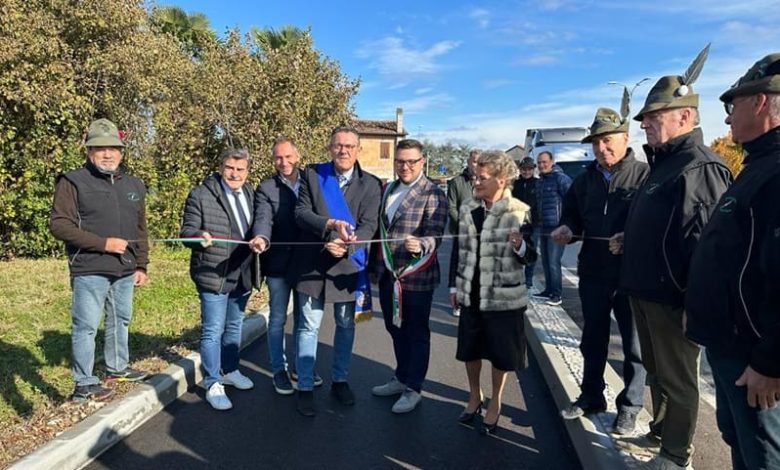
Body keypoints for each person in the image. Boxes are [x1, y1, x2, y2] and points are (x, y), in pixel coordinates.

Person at [611, 47, 733, 469]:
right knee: (657, 371)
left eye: (653, 116)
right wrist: (630, 238)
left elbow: (706, 248)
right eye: (644, 117)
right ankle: (661, 431)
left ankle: (676, 454)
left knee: (679, 379)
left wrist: (695, 306)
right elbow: (665, 228)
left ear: (685, 116)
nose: (644, 124)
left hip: (673, 299)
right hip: (646, 292)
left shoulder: (699, 167)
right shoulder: (664, 165)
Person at [686, 53, 780, 470]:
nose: (726, 119)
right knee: (741, 444)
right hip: (731, 347)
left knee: (763, 456)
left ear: (760, 102)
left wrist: (770, 362)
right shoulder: (759, 166)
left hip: (754, 359)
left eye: (732, 105)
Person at [551, 107, 649, 435]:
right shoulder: (584, 180)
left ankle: (630, 406)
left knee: (634, 346)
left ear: (625, 138)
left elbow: (655, 226)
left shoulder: (645, 176)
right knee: (592, 339)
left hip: (631, 275)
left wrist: (629, 238)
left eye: (607, 140)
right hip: (593, 271)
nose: (601, 148)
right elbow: (572, 217)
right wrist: (567, 230)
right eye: (595, 143)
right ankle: (591, 395)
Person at [50, 118, 150, 402]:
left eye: (113, 148)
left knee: (121, 319)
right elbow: (59, 225)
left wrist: (141, 264)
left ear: (122, 151)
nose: (108, 154)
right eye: (100, 148)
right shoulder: (72, 181)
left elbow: (140, 229)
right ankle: (84, 383)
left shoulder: (134, 184)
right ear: (89, 151)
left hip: (125, 268)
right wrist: (103, 244)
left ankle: (117, 368)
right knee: (86, 326)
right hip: (90, 267)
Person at [292, 126, 382, 416]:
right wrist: (330, 227)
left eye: (349, 146)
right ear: (330, 147)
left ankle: (340, 381)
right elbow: (301, 214)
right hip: (313, 265)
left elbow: (369, 225)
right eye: (338, 145)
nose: (343, 151)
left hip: (348, 268)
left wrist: (347, 247)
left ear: (358, 150)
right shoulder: (312, 174)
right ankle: (305, 386)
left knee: (345, 326)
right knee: (308, 327)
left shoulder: (371, 184)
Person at [448, 150, 537, 436]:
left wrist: (520, 246)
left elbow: (531, 256)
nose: (475, 182)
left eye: (482, 178)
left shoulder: (519, 211)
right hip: (471, 292)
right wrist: (454, 285)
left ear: (501, 179)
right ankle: (475, 395)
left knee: (501, 354)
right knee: (470, 349)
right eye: (475, 176)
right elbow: (458, 250)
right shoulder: (467, 208)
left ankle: (496, 400)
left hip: (503, 298)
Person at [370, 139, 447, 413]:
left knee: (416, 333)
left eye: (411, 161)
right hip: (387, 274)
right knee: (394, 327)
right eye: (400, 161)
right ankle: (401, 376)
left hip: (416, 276)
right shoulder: (388, 189)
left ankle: (414, 388)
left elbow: (436, 234)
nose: (405, 166)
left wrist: (422, 243)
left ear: (422, 162)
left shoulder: (433, 193)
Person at [180, 148, 256, 411]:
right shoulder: (201, 194)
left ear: (247, 171)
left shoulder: (250, 193)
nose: (234, 174)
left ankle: (230, 369)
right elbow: (187, 231)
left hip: (243, 272)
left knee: (234, 326)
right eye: (229, 168)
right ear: (221, 168)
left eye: (240, 169)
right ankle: (213, 382)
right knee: (213, 330)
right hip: (214, 272)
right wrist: (198, 237)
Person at [250, 138, 323, 395]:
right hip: (278, 264)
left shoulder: (313, 181)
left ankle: (301, 367)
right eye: (278, 158)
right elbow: (263, 218)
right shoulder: (266, 187)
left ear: (298, 156)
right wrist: (261, 237)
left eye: (288, 156)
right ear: (273, 160)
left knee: (305, 320)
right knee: (278, 319)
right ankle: (278, 370)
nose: (284, 162)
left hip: (306, 264)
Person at [532, 151, 572, 306]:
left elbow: (572, 201)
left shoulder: (561, 179)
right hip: (543, 226)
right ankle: (548, 290)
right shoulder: (540, 181)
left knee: (554, 261)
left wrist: (566, 224)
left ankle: (556, 294)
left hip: (557, 227)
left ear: (552, 162)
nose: (541, 165)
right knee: (546, 261)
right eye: (539, 163)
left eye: (544, 162)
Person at [446, 149, 481, 317]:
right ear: (468, 162)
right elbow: (451, 207)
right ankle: (458, 302)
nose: (477, 165)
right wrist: (463, 223)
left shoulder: (486, 182)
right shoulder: (456, 182)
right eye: (474, 161)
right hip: (461, 232)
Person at [511, 157, 540, 290]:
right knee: (516, 249)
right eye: (524, 169)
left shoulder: (538, 183)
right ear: (520, 170)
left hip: (534, 223)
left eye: (529, 169)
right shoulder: (515, 184)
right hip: (518, 222)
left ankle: (528, 279)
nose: (526, 172)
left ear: (533, 170)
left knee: (531, 250)